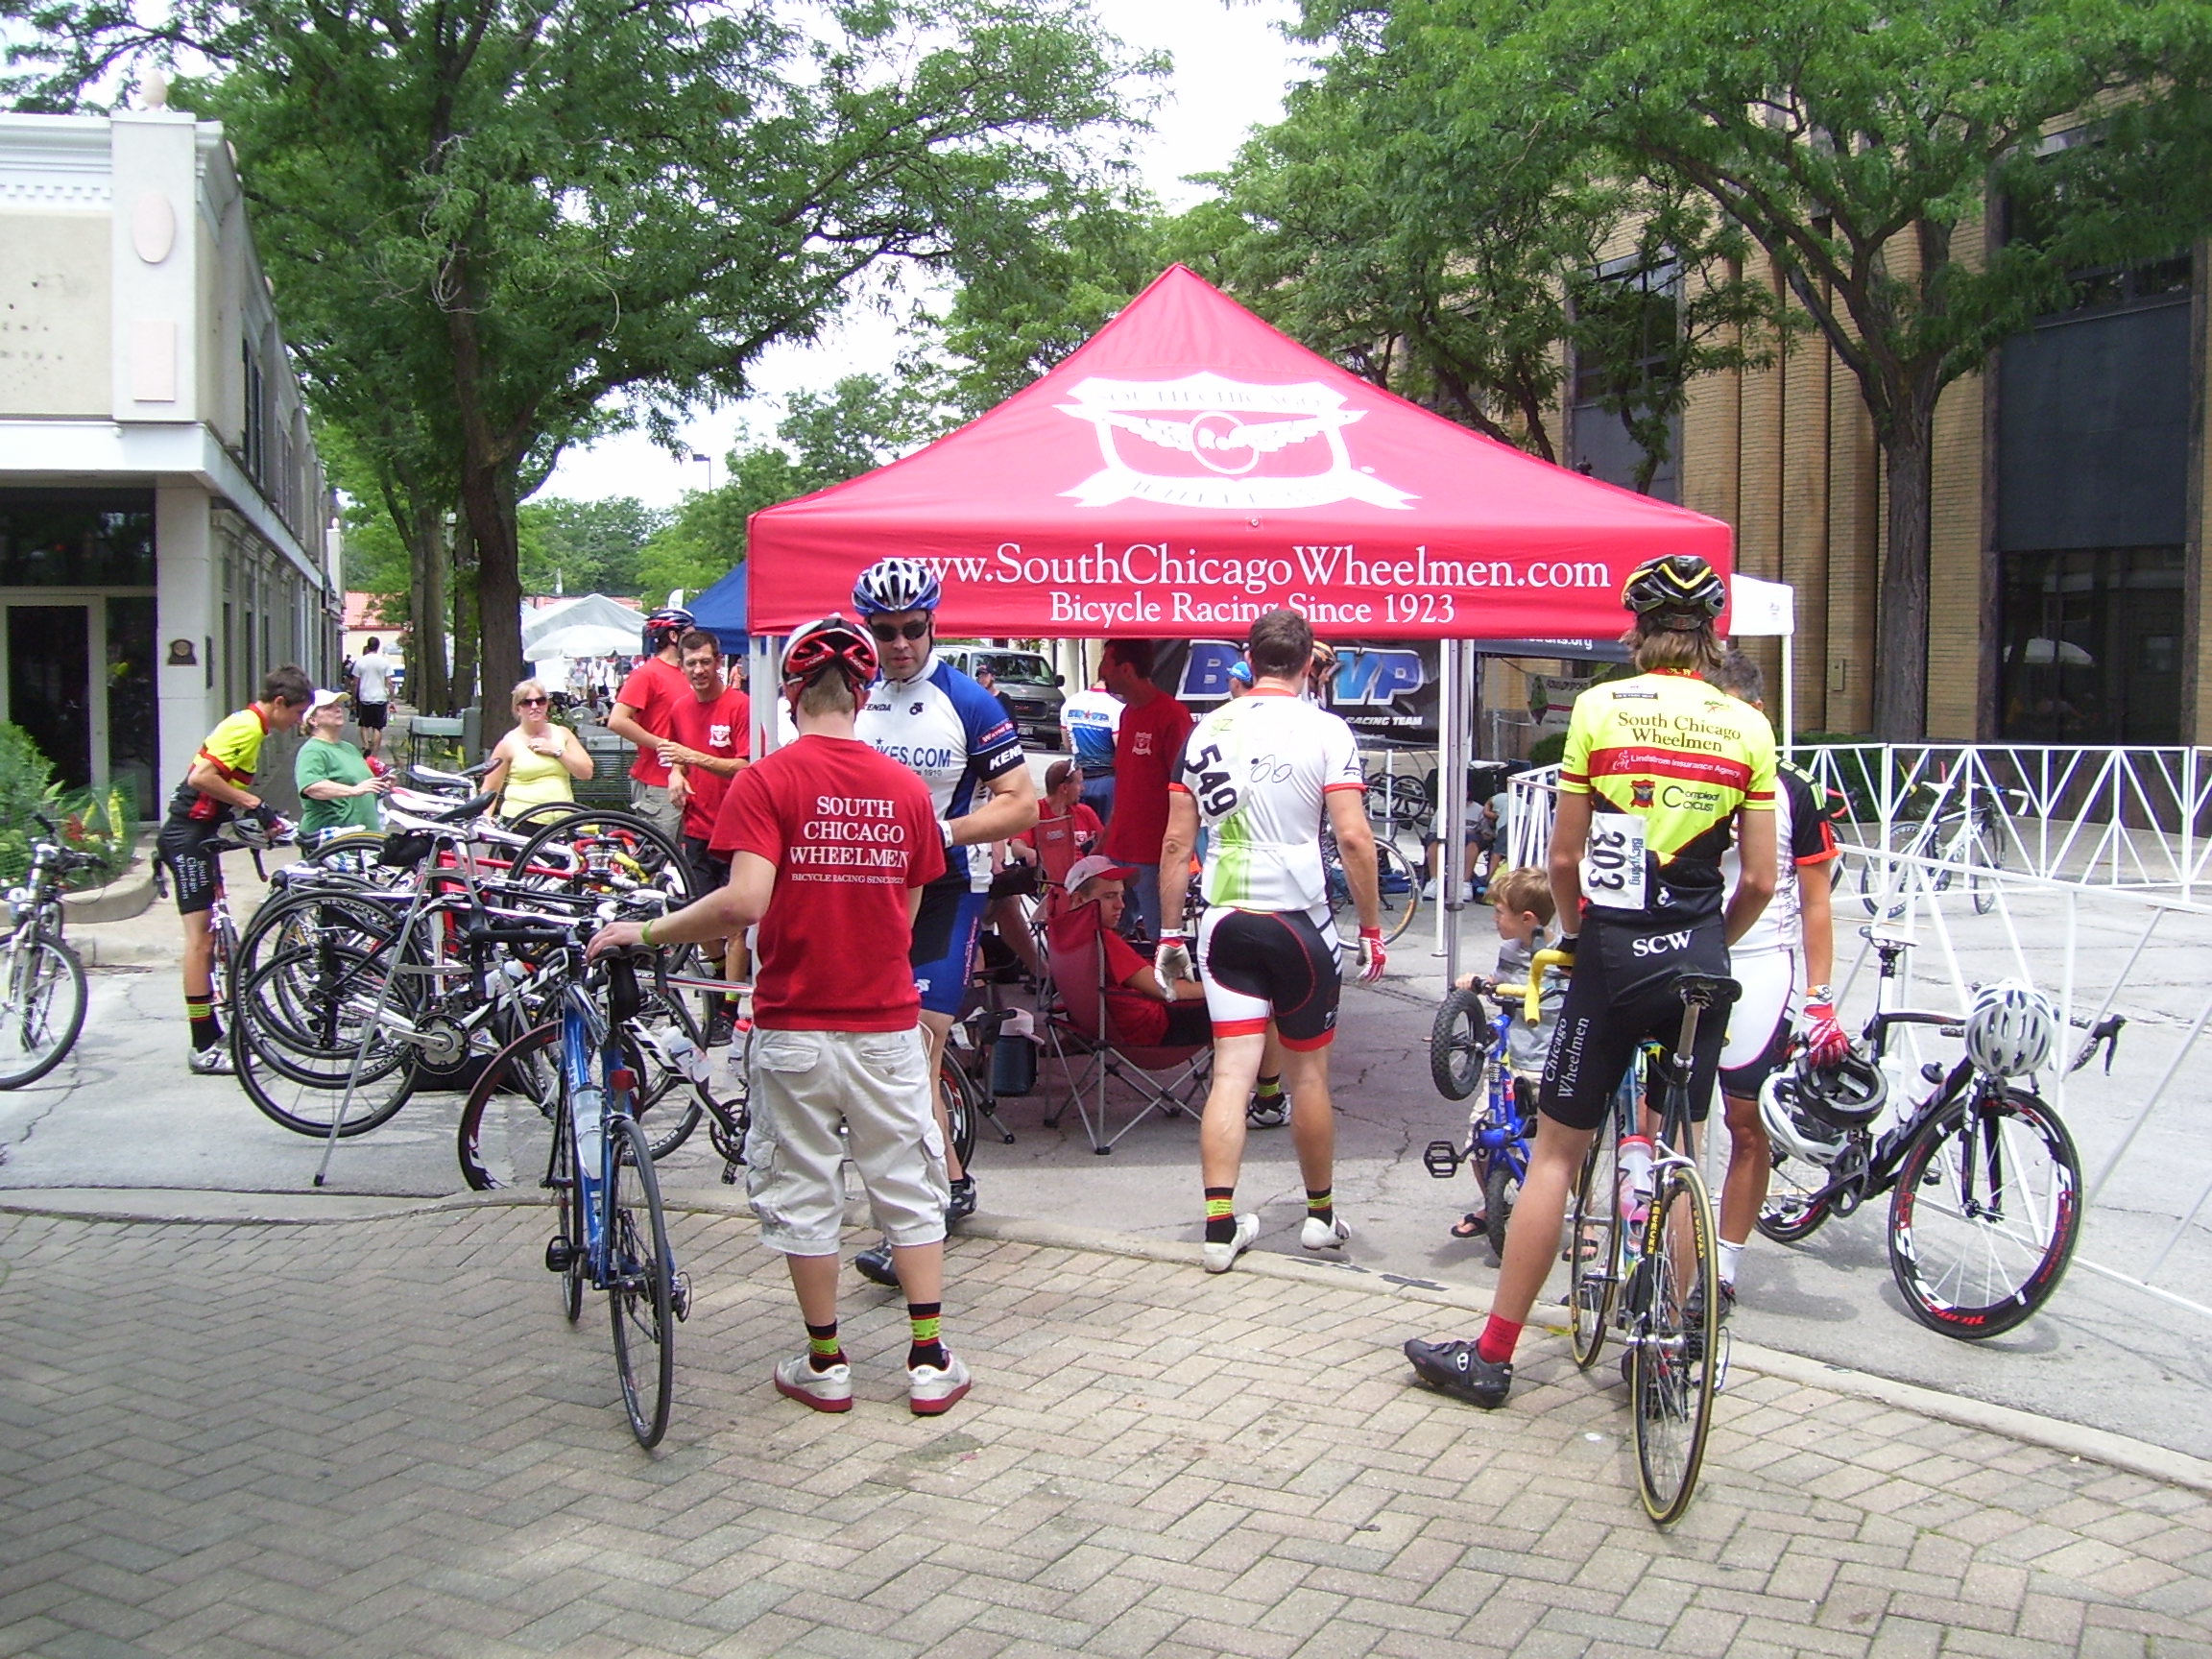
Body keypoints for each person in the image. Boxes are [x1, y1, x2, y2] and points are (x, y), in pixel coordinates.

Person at [1404, 553, 1777, 1408]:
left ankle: (1492, 1357)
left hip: (1612, 953)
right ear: (1712, 636)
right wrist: (1712, 942)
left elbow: (1565, 858)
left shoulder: (1603, 709)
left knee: (1556, 1156)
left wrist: (1575, 936)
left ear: (1638, 631)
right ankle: (1667, 1349)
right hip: (1699, 962)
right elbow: (1759, 879)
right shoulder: (1746, 727)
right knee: (1682, 1148)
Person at [592, 615, 972, 1417]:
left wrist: (649, 931)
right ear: (863, 695)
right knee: (908, 1186)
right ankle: (928, 1359)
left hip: (794, 1024)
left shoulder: (766, 781)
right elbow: (904, 920)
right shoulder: (906, 791)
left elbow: (743, 904)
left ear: (792, 694)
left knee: (804, 1192)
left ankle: (826, 1362)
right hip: (883, 1024)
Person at [1155, 608, 1385, 1273]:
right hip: (1299, 919)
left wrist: (1168, 932)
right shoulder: (1326, 728)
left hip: (1225, 918)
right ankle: (1319, 1217)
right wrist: (1372, 929)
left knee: (1232, 1071)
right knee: (1309, 1074)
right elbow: (1353, 837)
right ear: (1310, 661)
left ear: (1248, 659)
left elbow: (1174, 844)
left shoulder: (1205, 729)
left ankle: (1218, 1228)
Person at [846, 557, 1038, 1286]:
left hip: (947, 889)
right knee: (876, 1052)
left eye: (912, 629)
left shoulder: (968, 701)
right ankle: (951, 1182)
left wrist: (941, 832)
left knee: (913, 1046)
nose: (899, 644)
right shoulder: (855, 695)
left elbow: (1020, 803)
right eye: (885, 631)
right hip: (868, 889)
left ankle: (917, 1216)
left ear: (934, 624)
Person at [1707, 648, 1844, 1321]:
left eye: (1732, 714)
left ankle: (1725, 1266)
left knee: (1745, 1122)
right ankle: (1645, 1247)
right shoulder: (1680, 767)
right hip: (1683, 954)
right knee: (1655, 1116)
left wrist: (1820, 998)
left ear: (1758, 713)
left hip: (1761, 963)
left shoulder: (1794, 788)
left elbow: (1816, 899)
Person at [157, 664, 311, 1073]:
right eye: (297, 713)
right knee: (200, 943)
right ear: (279, 702)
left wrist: (258, 818)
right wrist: (253, 804)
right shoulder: (246, 727)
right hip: (186, 837)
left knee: (214, 938)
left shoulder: (252, 727)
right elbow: (201, 778)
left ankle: (216, 1030)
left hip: (200, 834)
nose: (298, 722)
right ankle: (203, 1044)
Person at [1445, 867, 1562, 1239]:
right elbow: (1502, 983)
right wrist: (1480, 983)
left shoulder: (1563, 956)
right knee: (1480, 1134)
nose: (1494, 918)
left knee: (1567, 1147)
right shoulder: (1509, 950)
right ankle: (1493, 1203)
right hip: (1508, 1063)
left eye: (1500, 912)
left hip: (1549, 1064)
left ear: (1527, 919)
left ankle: (1586, 1220)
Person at [660, 630, 753, 1042]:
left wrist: (691, 758)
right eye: (691, 663)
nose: (699, 670)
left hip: (737, 829)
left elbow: (746, 765)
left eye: (705, 662)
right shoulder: (680, 708)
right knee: (701, 918)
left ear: (718, 663)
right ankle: (719, 980)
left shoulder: (739, 705)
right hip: (696, 828)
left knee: (735, 923)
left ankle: (729, 1007)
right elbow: (674, 756)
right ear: (681, 666)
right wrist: (675, 775)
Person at [1054, 854, 1214, 1046]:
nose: (1121, 905)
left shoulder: (1065, 933)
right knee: (1240, 999)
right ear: (1079, 899)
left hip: (1107, 1025)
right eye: (1109, 896)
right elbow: (1168, 990)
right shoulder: (1103, 941)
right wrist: (1221, 989)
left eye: (1121, 895)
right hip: (1152, 1030)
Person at [1098, 638, 1193, 943]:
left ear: (1126, 669)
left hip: (1153, 854)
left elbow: (1185, 790)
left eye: (1107, 664)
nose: (1102, 672)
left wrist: (1177, 851)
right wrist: (1104, 840)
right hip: (1119, 848)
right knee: (1110, 934)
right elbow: (1126, 784)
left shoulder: (1171, 715)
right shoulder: (1127, 714)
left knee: (1160, 936)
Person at [605, 606, 695, 841]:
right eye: (690, 633)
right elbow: (617, 720)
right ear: (674, 636)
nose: (695, 639)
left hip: (691, 778)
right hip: (657, 781)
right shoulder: (648, 674)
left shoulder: (688, 673)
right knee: (657, 853)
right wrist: (662, 744)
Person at [485, 678, 593, 822]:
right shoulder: (508, 742)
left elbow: (586, 773)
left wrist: (557, 752)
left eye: (540, 701)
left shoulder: (562, 734)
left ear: (547, 705)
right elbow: (490, 788)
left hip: (561, 823)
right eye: (527, 703)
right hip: (521, 821)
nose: (534, 706)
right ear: (518, 709)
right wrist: (485, 819)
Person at [294, 687, 389, 838]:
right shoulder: (312, 751)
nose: (337, 709)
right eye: (328, 707)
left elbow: (362, 785)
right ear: (313, 720)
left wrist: (381, 785)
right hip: (334, 841)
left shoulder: (349, 748)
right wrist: (354, 790)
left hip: (364, 838)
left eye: (338, 705)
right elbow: (311, 787)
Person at [1060, 674, 1121, 825]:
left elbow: (1067, 744)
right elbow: (1120, 747)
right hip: (1107, 781)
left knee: (1078, 829)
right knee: (1104, 831)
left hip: (1078, 779)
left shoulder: (1070, 702)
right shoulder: (1118, 708)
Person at [349, 637, 397, 760]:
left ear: (368, 646)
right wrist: (392, 699)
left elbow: (355, 683)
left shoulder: (360, 662)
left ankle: (366, 745)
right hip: (380, 697)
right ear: (378, 646)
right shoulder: (384, 662)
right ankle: (374, 755)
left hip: (364, 697)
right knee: (378, 727)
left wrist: (353, 698)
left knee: (364, 724)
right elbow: (389, 683)